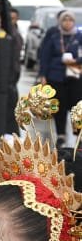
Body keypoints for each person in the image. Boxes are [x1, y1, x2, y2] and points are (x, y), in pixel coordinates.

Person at [36, 9, 82, 146]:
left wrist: (76, 60)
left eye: (70, 20)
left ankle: (78, 134)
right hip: (56, 76)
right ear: (60, 21)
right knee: (59, 107)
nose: (67, 23)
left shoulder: (79, 36)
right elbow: (45, 56)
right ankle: (61, 134)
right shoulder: (54, 36)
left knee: (77, 107)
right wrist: (43, 75)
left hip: (75, 76)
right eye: (65, 20)